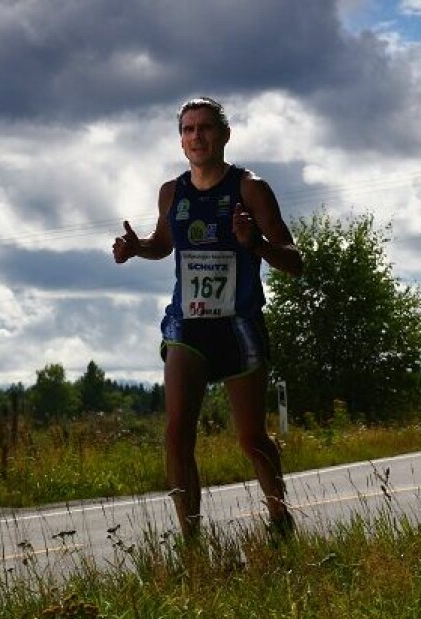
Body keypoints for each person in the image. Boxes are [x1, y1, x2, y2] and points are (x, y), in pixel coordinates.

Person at [113, 97, 303, 540]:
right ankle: (192, 542)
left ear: (225, 135)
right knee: (177, 433)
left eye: (205, 128)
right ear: (181, 140)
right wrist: (137, 248)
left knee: (251, 437)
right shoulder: (172, 192)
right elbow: (164, 243)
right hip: (187, 324)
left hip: (239, 325)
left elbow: (295, 261)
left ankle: (279, 518)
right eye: (188, 129)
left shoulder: (250, 188)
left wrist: (256, 244)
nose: (196, 136)